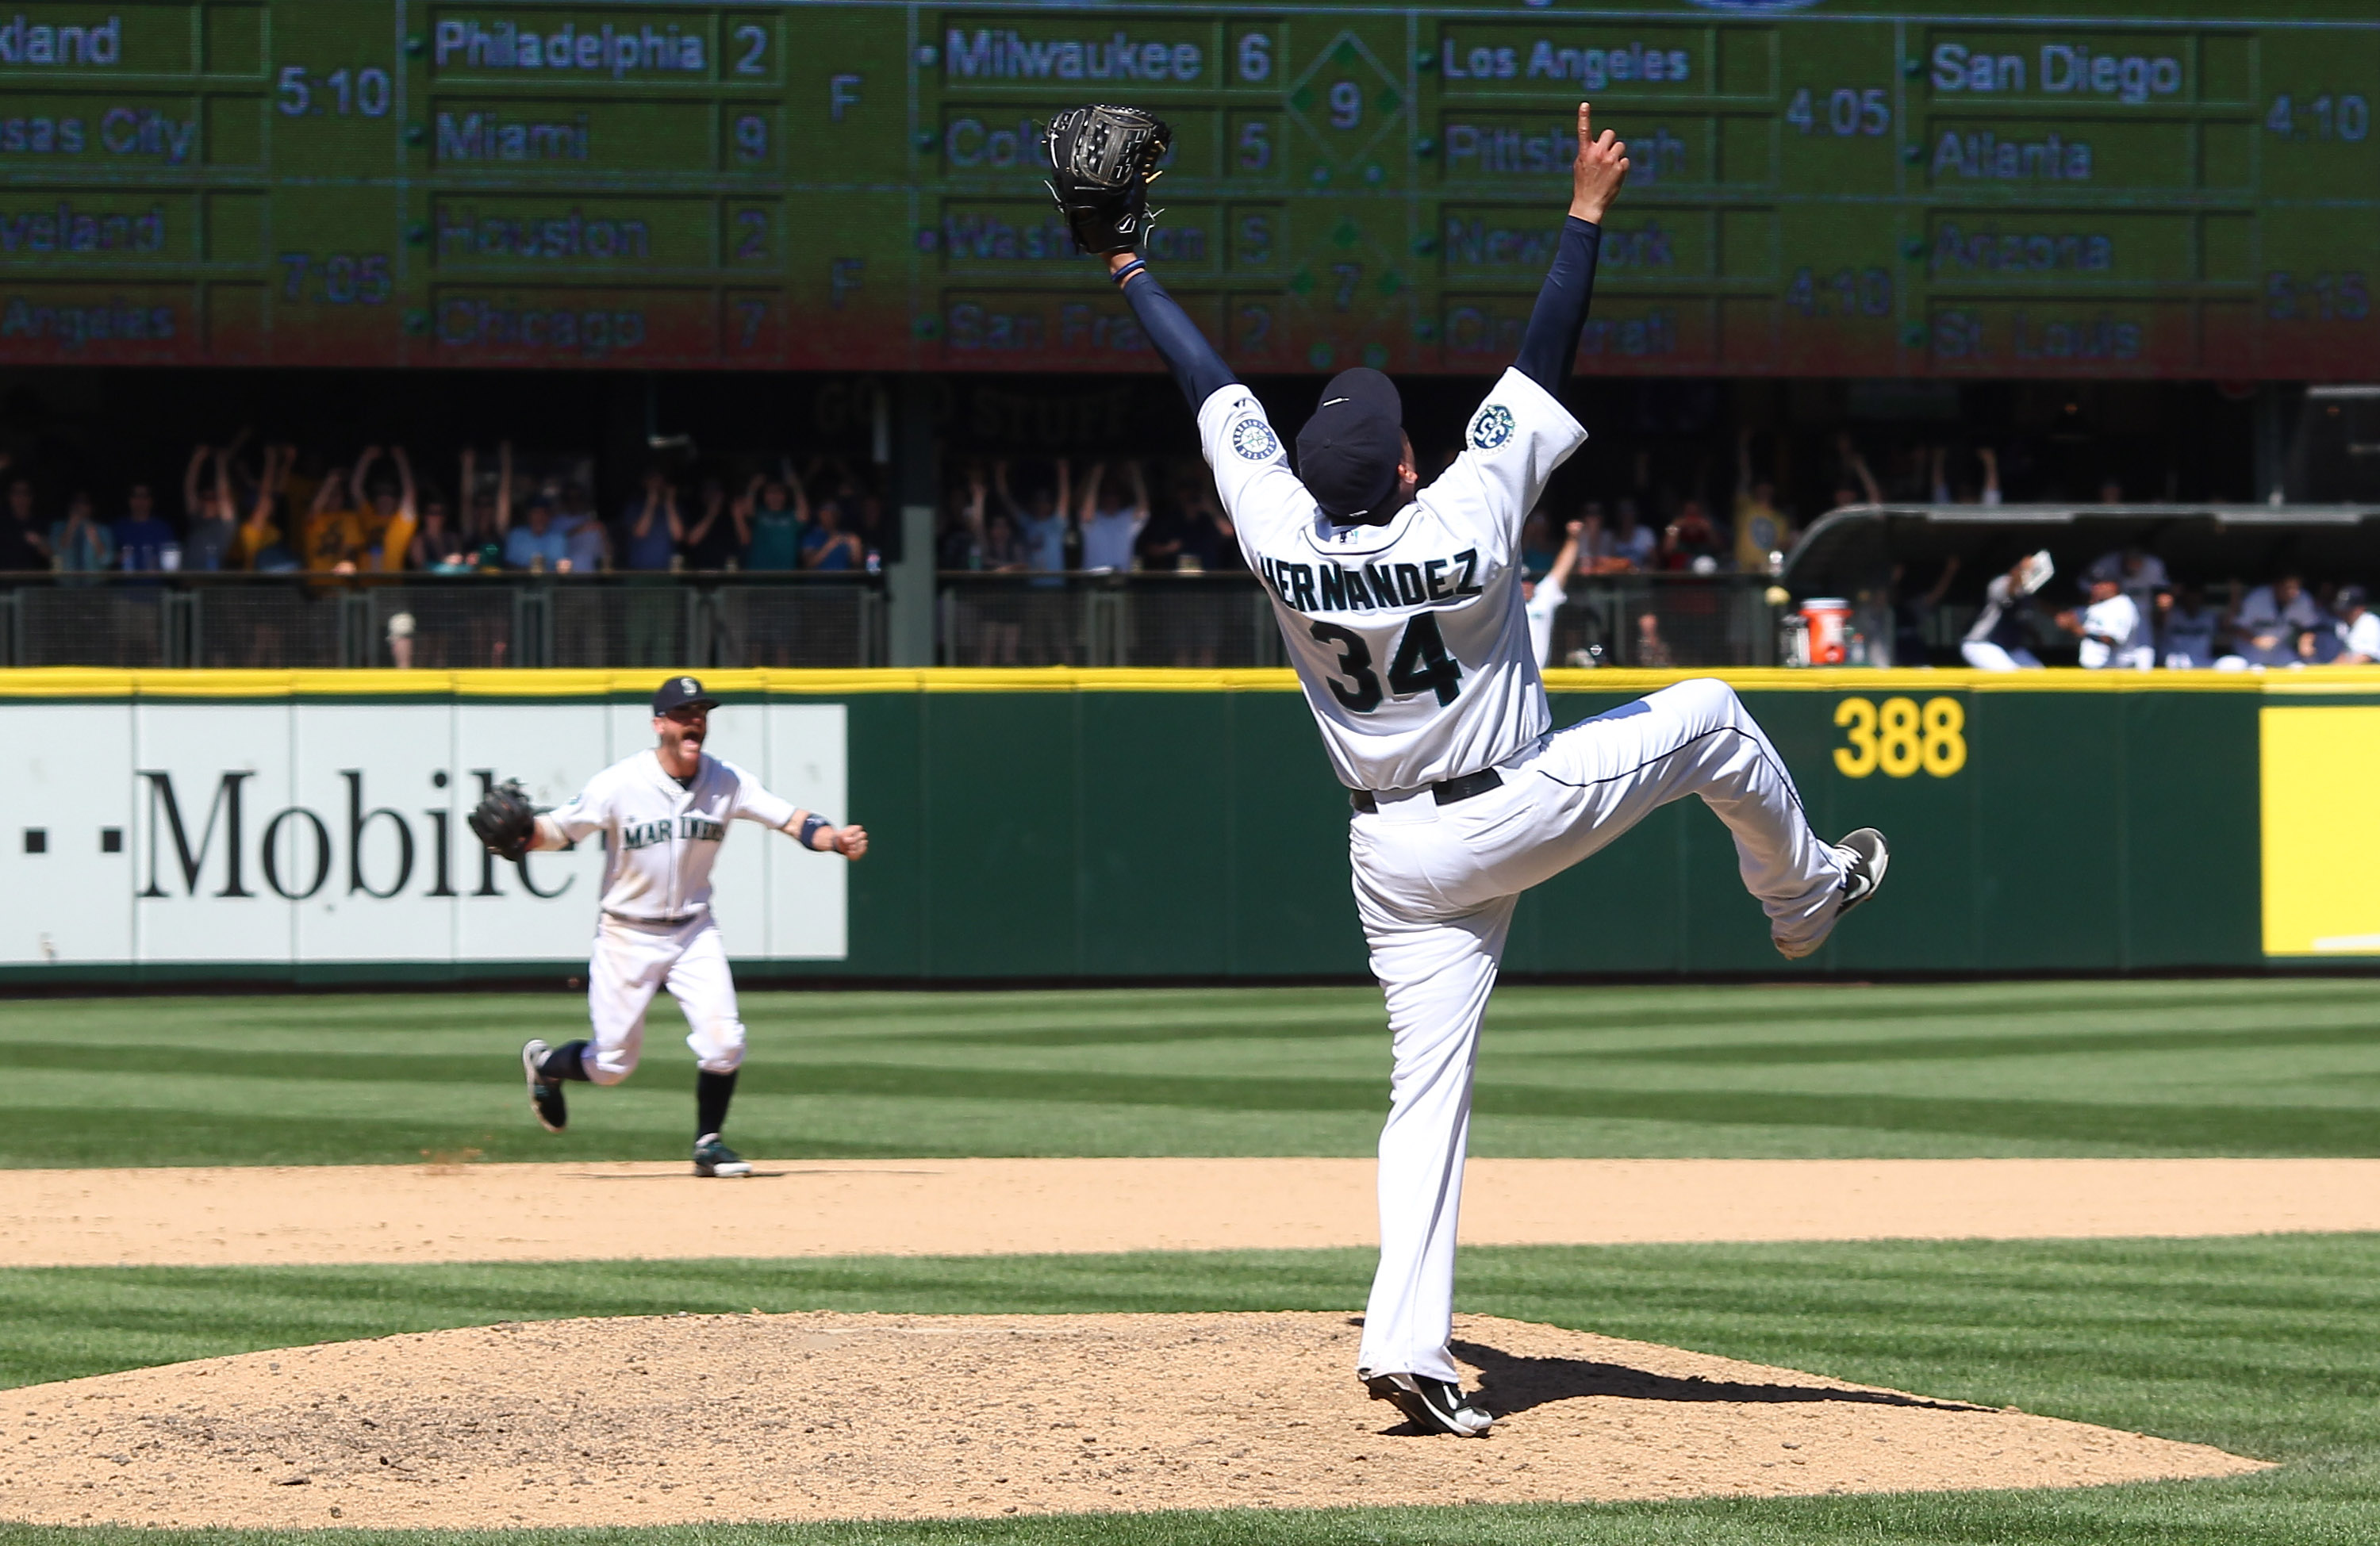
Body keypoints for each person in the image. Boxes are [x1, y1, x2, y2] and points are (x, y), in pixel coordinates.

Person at [1069, 98, 1885, 1437]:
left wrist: (1126, 269)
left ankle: (1410, 1343)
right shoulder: (1465, 509)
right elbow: (1547, 357)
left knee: (1425, 1093)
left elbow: (1207, 386)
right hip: (1510, 803)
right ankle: (1801, 897)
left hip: (1387, 853)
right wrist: (1583, 211)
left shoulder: (1278, 532)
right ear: (1401, 461)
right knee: (1714, 712)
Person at [497, 676, 868, 1176]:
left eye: (701, 713)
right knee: (611, 1067)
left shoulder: (727, 781)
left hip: (694, 930)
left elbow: (792, 819)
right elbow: (561, 829)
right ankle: (546, 1067)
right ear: (659, 724)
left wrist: (834, 839)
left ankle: (709, 1145)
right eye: (683, 713)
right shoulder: (619, 783)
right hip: (627, 934)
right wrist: (523, 836)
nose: (695, 721)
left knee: (725, 1042)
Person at [1960, 552, 2052, 669]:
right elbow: (2010, 594)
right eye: (2023, 570)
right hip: (1981, 644)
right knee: (2010, 674)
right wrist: (2022, 570)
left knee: (2039, 675)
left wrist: (2034, 635)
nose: (2029, 573)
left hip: (2010, 648)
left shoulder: (2027, 593)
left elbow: (2020, 619)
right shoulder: (2001, 582)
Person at [2057, 574, 2152, 669]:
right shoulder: (2098, 606)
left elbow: (2110, 639)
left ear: (2114, 585)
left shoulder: (2123, 606)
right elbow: (2070, 616)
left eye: (2101, 584)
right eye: (2095, 584)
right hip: (2096, 669)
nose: (2096, 587)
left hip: (2115, 671)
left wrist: (2078, 629)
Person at [1523, 518, 1582, 669]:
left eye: (1530, 581)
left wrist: (1573, 538)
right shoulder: (1506, 600)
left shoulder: (1543, 595)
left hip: (1540, 674)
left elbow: (1562, 568)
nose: (1526, 586)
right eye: (1522, 581)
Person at [2232, 574, 2324, 667]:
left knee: (2297, 668)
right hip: (2250, 649)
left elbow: (2310, 626)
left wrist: (2305, 641)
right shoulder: (2257, 597)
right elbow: (2236, 627)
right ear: (2277, 587)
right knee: (2251, 670)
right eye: (2289, 588)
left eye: (2297, 588)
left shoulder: (2303, 598)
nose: (2294, 592)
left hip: (2279, 648)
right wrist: (2256, 640)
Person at [1077, 459, 1149, 572]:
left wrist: (1135, 472)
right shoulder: (1094, 518)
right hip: (1093, 582)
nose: (1110, 498)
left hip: (1121, 581)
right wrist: (1096, 476)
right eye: (1107, 494)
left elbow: (1143, 507)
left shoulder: (1127, 518)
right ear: (1101, 497)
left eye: (1114, 494)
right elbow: (1087, 508)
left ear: (1120, 497)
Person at [1732, 428, 1788, 573]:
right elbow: (1744, 474)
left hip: (1765, 575)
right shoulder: (1746, 506)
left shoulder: (1780, 518)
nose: (1764, 489)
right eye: (1760, 486)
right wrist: (1743, 445)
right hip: (1741, 573)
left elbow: (1782, 546)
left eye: (1767, 486)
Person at [113, 481, 178, 574]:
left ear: (151, 500)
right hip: (124, 586)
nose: (140, 500)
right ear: (129, 500)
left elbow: (173, 565)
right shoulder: (118, 527)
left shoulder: (163, 528)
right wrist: (115, 558)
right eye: (135, 495)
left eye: (144, 496)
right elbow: (105, 560)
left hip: (156, 586)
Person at [50, 490, 113, 577]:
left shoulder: (103, 530)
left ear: (91, 507)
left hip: (95, 586)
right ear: (70, 505)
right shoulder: (58, 527)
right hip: (65, 586)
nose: (79, 506)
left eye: (84, 502)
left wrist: (95, 540)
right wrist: (70, 528)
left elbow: (107, 560)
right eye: (76, 502)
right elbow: (54, 553)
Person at [2157, 586, 2222, 669]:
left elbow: (2229, 625)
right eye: (2190, 598)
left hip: (2203, 663)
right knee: (2176, 661)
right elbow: (2158, 622)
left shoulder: (2209, 617)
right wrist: (2171, 596)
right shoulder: (2172, 615)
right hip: (2175, 663)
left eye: (2196, 597)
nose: (2193, 601)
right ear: (2184, 597)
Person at [0, 474, 54, 571]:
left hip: (31, 582)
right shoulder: (3, 522)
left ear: (31, 497)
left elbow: (51, 555)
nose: (20, 498)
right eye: (16, 493)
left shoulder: (40, 523)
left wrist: (39, 542)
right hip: (5, 581)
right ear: (9, 497)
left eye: (25, 493)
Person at [2329, 585, 2378, 664]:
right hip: (2355, 672)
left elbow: (2366, 657)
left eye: (2349, 610)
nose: (2344, 613)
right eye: (2343, 610)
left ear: (2361, 608)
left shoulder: (2370, 623)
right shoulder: (2345, 625)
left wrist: (2340, 673)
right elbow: (2344, 656)